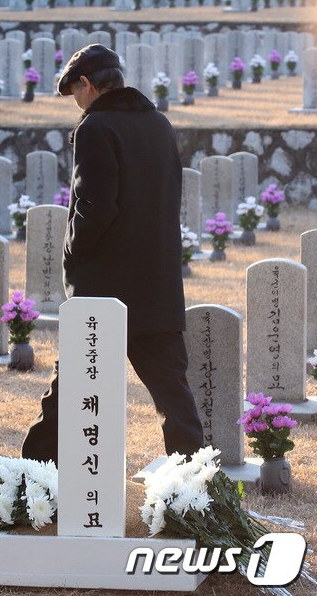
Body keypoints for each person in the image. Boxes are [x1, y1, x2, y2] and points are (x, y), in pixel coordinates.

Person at [22, 44, 203, 463]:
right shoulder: (159, 123)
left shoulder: (96, 127)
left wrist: (72, 253)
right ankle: (198, 492)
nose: (77, 105)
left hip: (105, 287)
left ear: (87, 84)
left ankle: (30, 481)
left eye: (75, 94)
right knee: (174, 398)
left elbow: (95, 207)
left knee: (69, 394)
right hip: (156, 283)